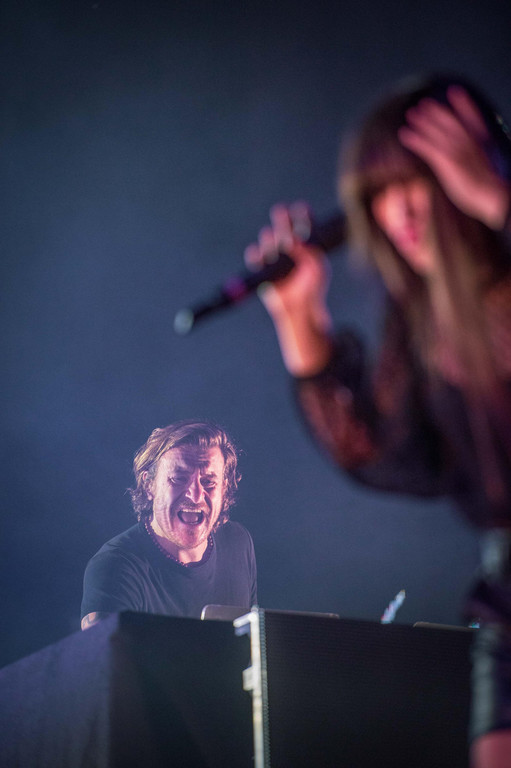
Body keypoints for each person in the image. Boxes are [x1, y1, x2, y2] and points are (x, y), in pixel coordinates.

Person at [244, 74, 511, 767]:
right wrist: (300, 321)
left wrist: (499, 200)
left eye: (416, 179)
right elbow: (391, 456)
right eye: (379, 194)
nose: (400, 212)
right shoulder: (422, 325)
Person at [81, 419, 257, 628]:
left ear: (224, 489)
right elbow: (102, 649)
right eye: (179, 479)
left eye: (208, 482)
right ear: (149, 485)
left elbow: (255, 641)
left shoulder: (238, 542)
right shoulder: (114, 566)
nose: (195, 496)